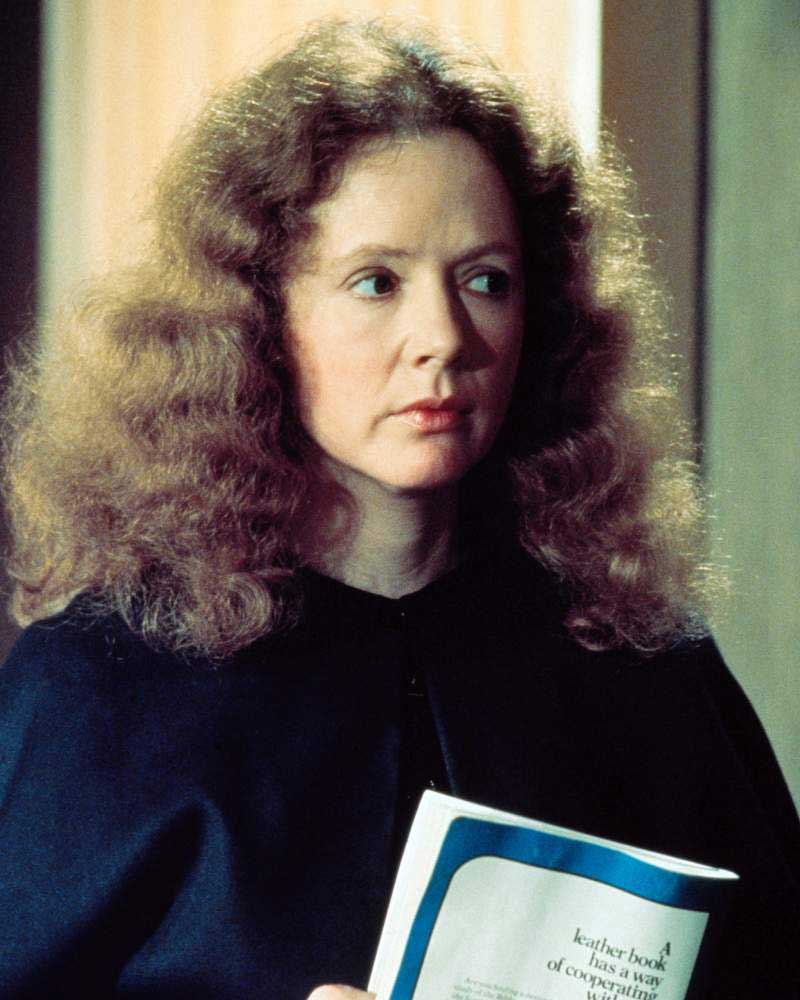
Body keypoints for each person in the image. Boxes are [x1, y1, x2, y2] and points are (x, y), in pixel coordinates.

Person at [0, 16, 797, 1000]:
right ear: (257, 316)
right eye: (375, 282)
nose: (443, 337)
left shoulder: (645, 667)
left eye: (485, 280)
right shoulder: (97, 684)